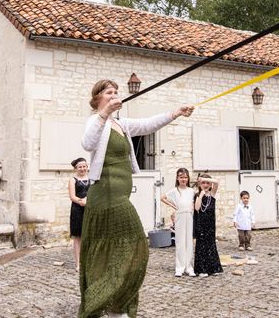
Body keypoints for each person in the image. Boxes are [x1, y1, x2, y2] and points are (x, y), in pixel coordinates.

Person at [79, 79, 194, 318]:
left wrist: (175, 113)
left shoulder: (121, 123)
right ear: (97, 98)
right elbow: (87, 143)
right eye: (109, 93)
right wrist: (104, 114)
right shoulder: (96, 121)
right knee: (136, 241)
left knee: (122, 246)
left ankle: (116, 303)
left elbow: (148, 124)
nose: (114, 95)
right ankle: (101, 299)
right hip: (106, 194)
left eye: (116, 92)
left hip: (120, 193)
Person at [161, 168, 196, 277]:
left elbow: (194, 203)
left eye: (185, 177)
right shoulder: (174, 191)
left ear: (188, 178)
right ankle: (179, 268)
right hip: (180, 216)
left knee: (189, 242)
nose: (183, 179)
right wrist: (173, 206)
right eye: (181, 177)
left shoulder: (191, 191)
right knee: (180, 242)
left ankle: (189, 267)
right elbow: (162, 197)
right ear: (177, 178)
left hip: (189, 216)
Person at [193, 173, 223, 277]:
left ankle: (213, 268)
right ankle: (202, 269)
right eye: (203, 183)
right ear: (200, 184)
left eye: (207, 183)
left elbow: (217, 182)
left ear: (210, 185)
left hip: (210, 224)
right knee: (201, 246)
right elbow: (197, 208)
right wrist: (201, 195)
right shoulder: (197, 195)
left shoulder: (212, 194)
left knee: (211, 245)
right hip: (201, 224)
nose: (205, 185)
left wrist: (204, 178)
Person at [68, 157, 90, 272]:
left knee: (89, 236)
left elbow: (94, 193)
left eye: (84, 166)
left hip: (90, 209)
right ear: (76, 168)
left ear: (87, 167)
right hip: (77, 210)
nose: (82, 169)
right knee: (78, 237)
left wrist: (88, 200)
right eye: (80, 167)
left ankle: (88, 261)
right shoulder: (73, 180)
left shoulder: (91, 179)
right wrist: (81, 201)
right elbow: (72, 196)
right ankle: (78, 264)